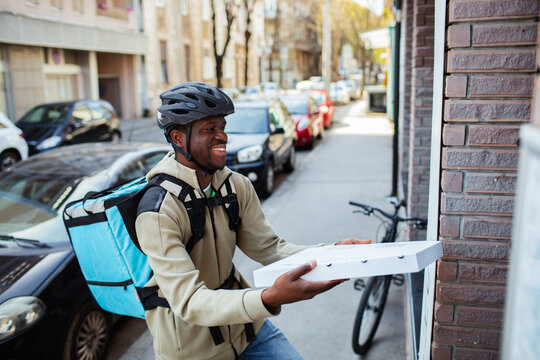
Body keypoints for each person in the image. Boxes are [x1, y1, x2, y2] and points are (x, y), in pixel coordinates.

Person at [135, 82, 368, 360]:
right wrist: (267, 298)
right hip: (193, 350)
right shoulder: (158, 211)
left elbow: (270, 248)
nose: (222, 136)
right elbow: (190, 301)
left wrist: (330, 252)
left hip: (247, 331)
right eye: (210, 129)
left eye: (222, 127)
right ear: (177, 138)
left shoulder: (236, 186)